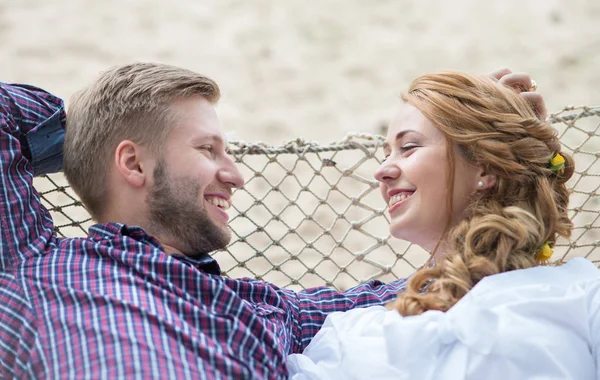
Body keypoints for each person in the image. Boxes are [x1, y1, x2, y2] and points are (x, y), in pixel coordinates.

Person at [0, 63, 542, 379]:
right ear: (134, 163)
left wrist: (498, 157)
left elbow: (445, 282)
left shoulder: (262, 310)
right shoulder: (29, 263)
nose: (235, 175)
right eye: (209, 149)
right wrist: (90, 131)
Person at [287, 71, 599, 379]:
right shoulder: (350, 335)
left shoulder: (581, 293)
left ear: (485, 166)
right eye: (385, 154)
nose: (381, 171)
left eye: (408, 147)